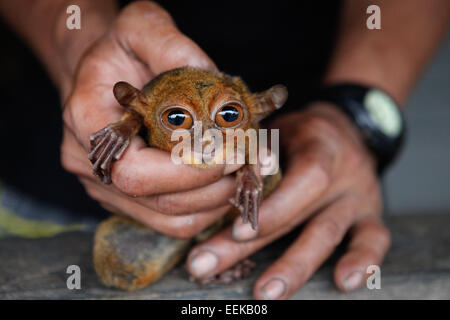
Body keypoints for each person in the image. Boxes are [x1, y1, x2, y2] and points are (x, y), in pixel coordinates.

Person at [0, 0, 448, 299]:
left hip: (312, 184)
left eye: (227, 117)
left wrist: (351, 116)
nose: (206, 135)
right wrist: (76, 44)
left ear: (254, 110)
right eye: (179, 120)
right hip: (48, 181)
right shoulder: (135, 114)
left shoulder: (252, 136)